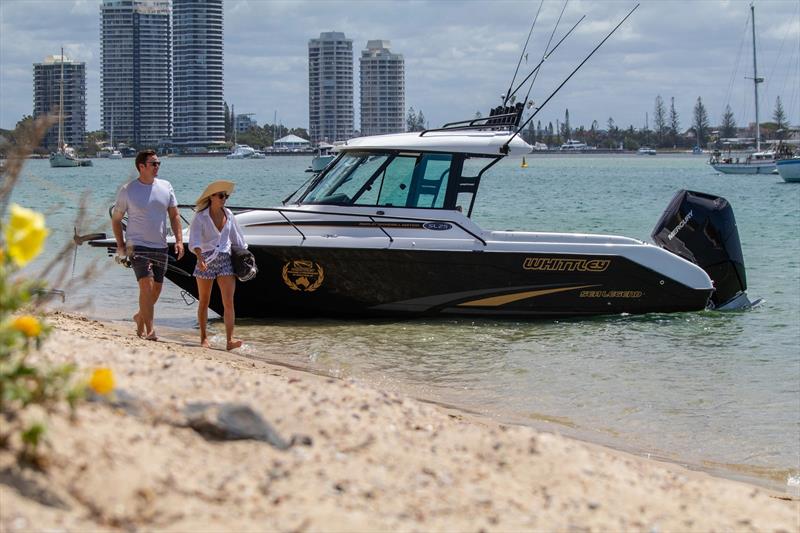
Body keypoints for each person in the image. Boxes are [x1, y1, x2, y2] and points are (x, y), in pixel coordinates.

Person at [111, 149, 184, 340]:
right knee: (146, 285)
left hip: (160, 245)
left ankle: (140, 317)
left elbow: (174, 215)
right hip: (138, 245)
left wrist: (178, 240)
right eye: (153, 163)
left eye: (158, 163)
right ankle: (150, 330)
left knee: (157, 289)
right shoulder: (128, 190)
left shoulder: (166, 186)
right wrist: (121, 245)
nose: (157, 166)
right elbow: (116, 219)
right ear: (141, 167)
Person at [189, 180, 247, 350]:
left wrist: (245, 256)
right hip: (205, 259)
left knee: (228, 302)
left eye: (226, 196)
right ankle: (203, 338)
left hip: (225, 260)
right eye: (221, 196)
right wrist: (199, 258)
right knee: (204, 301)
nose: (224, 199)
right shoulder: (201, 217)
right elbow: (195, 241)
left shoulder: (228, 214)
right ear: (211, 197)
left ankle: (230, 340)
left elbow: (238, 240)